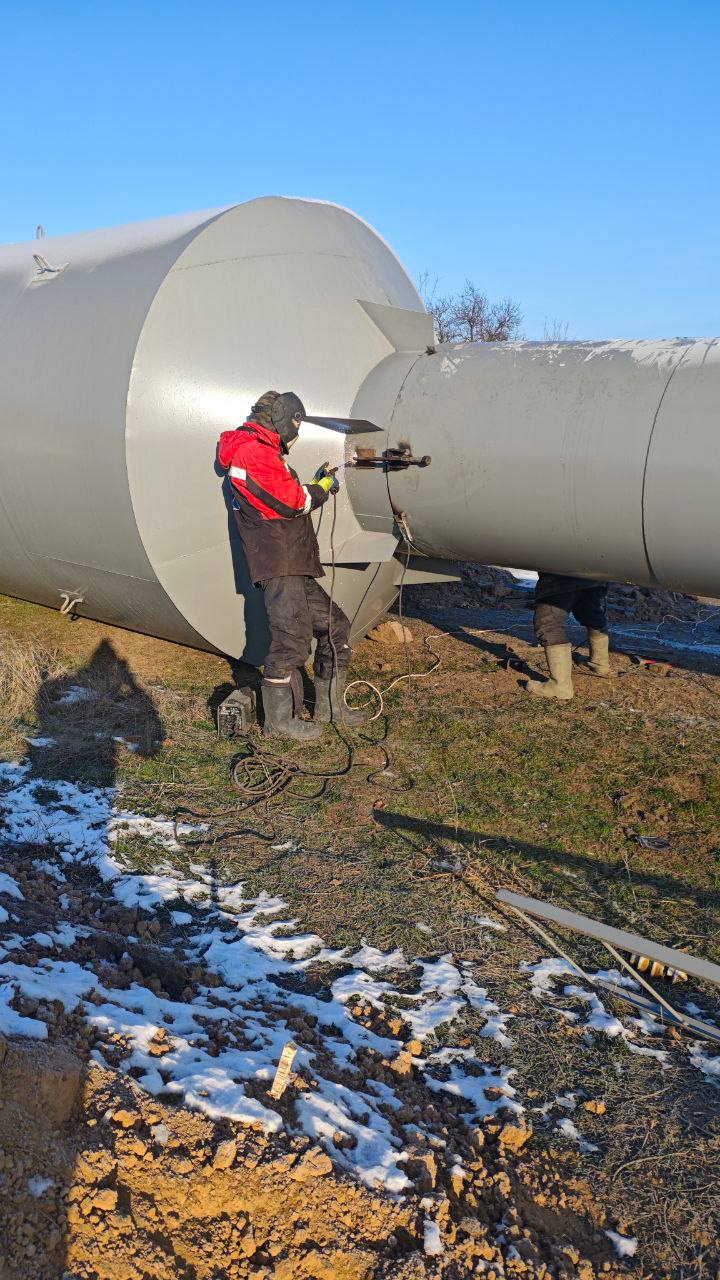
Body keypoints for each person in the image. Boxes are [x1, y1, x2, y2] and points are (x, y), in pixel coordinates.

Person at [217, 390, 366, 740]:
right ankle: (280, 723)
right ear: (284, 419)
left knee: (335, 627)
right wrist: (322, 488)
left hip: (293, 561)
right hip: (279, 562)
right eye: (295, 424)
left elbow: (281, 493)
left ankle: (331, 710)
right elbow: (292, 502)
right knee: (291, 641)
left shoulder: (263, 451)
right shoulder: (254, 452)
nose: (295, 434)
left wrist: (315, 484)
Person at [525, 572, 610, 701]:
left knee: (548, 624)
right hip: (593, 574)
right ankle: (599, 664)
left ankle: (560, 686)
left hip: (560, 575)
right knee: (590, 613)